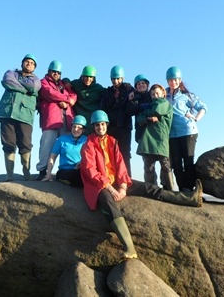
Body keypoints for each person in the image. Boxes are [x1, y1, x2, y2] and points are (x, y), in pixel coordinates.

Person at [80, 110, 203, 259]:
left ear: (106, 125)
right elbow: (90, 170)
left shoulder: (112, 141)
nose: (100, 127)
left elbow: (120, 164)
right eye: (97, 125)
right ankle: (130, 248)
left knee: (149, 188)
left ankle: (190, 198)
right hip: (100, 185)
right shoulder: (88, 144)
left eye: (102, 124)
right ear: (93, 126)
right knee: (109, 203)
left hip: (118, 181)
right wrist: (112, 190)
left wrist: (124, 185)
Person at [0, 54, 42, 181]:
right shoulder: (11, 72)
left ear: (35, 67)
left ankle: (26, 172)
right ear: (22, 63)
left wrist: (18, 84)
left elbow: (33, 87)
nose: (29, 64)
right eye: (27, 61)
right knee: (8, 143)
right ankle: (9, 174)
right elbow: (7, 81)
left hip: (25, 115)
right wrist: (24, 88)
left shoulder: (36, 80)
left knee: (25, 144)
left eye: (32, 63)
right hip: (7, 112)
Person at [165, 66, 208, 191]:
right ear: (167, 81)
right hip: (172, 134)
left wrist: (195, 118)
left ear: (180, 80)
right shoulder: (165, 95)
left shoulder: (186, 95)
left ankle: (190, 188)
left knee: (188, 161)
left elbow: (203, 107)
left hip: (188, 131)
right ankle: (183, 189)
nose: (173, 82)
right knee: (177, 164)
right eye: (170, 80)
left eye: (176, 79)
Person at [35, 60, 77, 180]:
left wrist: (68, 100)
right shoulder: (43, 82)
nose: (56, 74)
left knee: (67, 146)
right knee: (46, 145)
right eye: (54, 71)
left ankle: (66, 169)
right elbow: (50, 93)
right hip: (51, 120)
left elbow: (74, 95)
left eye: (58, 72)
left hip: (66, 120)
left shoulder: (63, 84)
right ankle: (43, 170)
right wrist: (67, 100)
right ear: (48, 71)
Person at [136, 84, 174, 190]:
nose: (155, 96)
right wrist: (148, 118)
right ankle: (151, 189)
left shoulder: (165, 103)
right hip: (148, 140)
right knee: (149, 166)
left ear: (163, 93)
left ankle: (169, 189)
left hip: (161, 139)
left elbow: (157, 110)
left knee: (165, 166)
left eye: (157, 93)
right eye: (153, 94)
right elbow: (139, 118)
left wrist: (145, 115)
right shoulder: (150, 106)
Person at [100, 66, 135, 176]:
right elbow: (103, 108)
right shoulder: (107, 93)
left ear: (122, 78)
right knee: (110, 153)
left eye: (118, 78)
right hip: (111, 127)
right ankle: (113, 177)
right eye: (113, 79)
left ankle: (127, 178)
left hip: (124, 126)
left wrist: (133, 94)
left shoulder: (129, 90)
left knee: (125, 153)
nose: (116, 81)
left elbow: (139, 96)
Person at [41, 115, 87, 187]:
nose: (76, 129)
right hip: (65, 172)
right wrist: (48, 174)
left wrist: (82, 162)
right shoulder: (62, 139)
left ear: (83, 130)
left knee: (85, 175)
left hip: (81, 170)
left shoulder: (87, 141)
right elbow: (53, 156)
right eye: (74, 126)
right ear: (71, 127)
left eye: (79, 128)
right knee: (77, 177)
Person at [63, 65, 105, 135]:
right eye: (86, 76)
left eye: (91, 77)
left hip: (92, 122)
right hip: (79, 123)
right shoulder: (76, 84)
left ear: (94, 78)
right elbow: (65, 80)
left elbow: (109, 92)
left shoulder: (98, 88)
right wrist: (66, 82)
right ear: (82, 76)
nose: (88, 79)